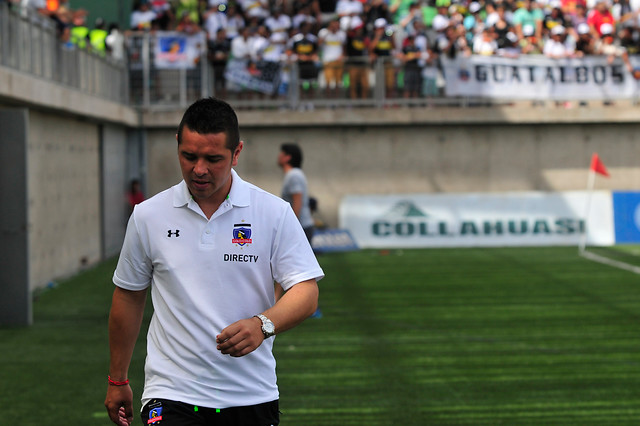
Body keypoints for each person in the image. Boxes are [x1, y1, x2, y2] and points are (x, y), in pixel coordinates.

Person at [104, 98, 323, 426]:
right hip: (171, 394)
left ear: (237, 153)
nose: (199, 169)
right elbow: (129, 295)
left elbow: (306, 291)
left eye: (213, 158)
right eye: (189, 156)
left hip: (252, 395)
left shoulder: (273, 212)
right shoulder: (148, 215)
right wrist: (117, 378)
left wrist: (263, 324)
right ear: (177, 145)